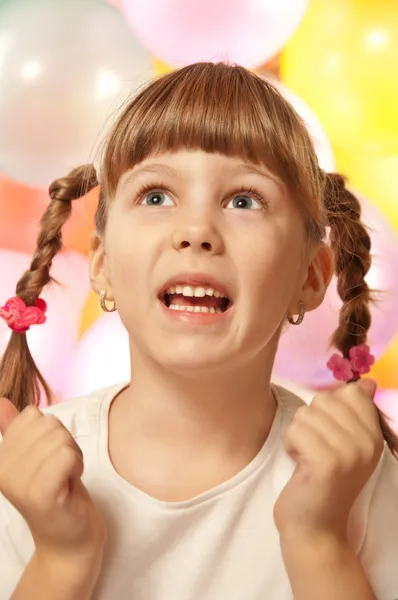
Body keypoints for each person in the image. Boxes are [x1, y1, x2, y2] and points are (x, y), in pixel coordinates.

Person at [0, 62, 397, 600]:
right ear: (102, 264)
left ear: (310, 278)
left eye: (244, 201)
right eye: (156, 195)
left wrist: (318, 541)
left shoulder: (357, 477)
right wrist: (61, 558)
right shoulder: (24, 482)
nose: (195, 232)